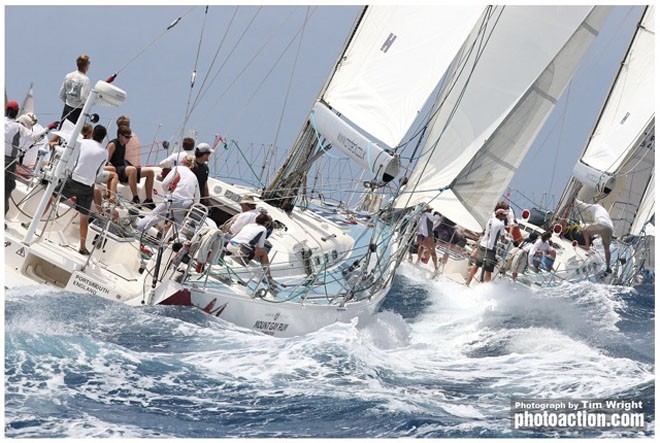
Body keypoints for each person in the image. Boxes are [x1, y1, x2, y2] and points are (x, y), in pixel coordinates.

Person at [52, 125, 109, 254]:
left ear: (93, 133)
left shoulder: (83, 142)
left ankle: (33, 223)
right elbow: (99, 172)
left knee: (51, 198)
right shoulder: (105, 152)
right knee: (84, 217)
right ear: (103, 138)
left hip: (73, 179)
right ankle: (82, 247)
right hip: (88, 185)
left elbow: (74, 159)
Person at [5, 101, 57, 216]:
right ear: (16, 112)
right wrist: (49, 128)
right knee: (7, 188)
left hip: (10, 162)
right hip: (9, 162)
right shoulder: (18, 127)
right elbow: (34, 137)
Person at [135, 156, 200, 235]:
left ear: (184, 162)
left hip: (174, 198)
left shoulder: (178, 168)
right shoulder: (194, 177)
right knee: (178, 226)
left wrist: (168, 192)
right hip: (186, 203)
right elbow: (197, 199)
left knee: (153, 216)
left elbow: (164, 184)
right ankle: (170, 245)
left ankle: (137, 231)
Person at [106, 125, 155, 207]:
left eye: (129, 137)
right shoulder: (113, 144)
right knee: (132, 170)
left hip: (123, 168)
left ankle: (148, 200)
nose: (128, 139)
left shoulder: (124, 144)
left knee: (150, 172)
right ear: (120, 135)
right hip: (116, 169)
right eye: (126, 137)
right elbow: (106, 161)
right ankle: (135, 198)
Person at [465, 208, 508, 286]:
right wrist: (504, 240)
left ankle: (467, 282)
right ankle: (485, 289)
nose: (505, 217)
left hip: (482, 245)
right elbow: (502, 238)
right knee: (488, 270)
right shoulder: (501, 224)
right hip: (490, 249)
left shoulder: (490, 220)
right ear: (499, 215)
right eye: (504, 215)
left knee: (477, 265)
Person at [226, 212, 274, 280]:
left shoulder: (249, 225)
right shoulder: (263, 229)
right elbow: (260, 246)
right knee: (264, 253)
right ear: (266, 223)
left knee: (251, 247)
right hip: (240, 250)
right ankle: (268, 276)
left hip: (230, 245)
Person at [573, 199, 614, 273]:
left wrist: (575, 200)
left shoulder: (596, 207)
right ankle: (608, 267)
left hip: (602, 225)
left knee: (585, 230)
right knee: (606, 249)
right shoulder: (604, 212)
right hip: (610, 229)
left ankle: (587, 246)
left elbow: (583, 205)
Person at [58, 54, 91, 125]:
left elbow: (61, 95)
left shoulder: (68, 76)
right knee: (79, 134)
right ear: (86, 65)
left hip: (67, 108)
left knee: (62, 131)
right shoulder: (85, 80)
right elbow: (83, 99)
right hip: (78, 111)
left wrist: (69, 102)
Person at [415, 206, 439, 270]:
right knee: (433, 252)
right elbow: (435, 219)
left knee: (421, 247)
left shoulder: (421, 215)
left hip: (420, 235)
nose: (431, 210)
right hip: (427, 236)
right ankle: (436, 268)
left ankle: (417, 261)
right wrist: (438, 214)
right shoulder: (428, 215)